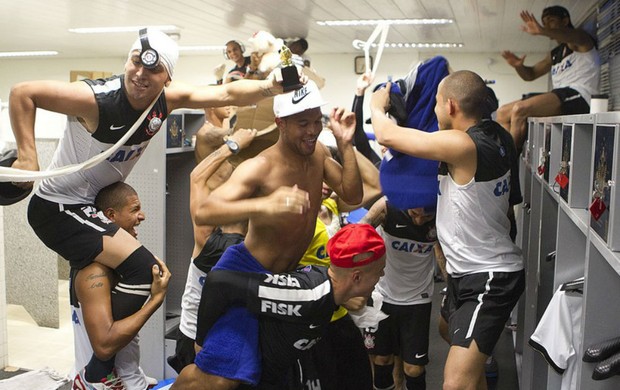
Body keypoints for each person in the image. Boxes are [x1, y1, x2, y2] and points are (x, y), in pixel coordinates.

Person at [9, 28, 296, 389]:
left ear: (167, 77)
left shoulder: (165, 100)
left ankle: (112, 371)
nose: (141, 75)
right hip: (58, 207)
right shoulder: (96, 99)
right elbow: (23, 93)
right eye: (135, 63)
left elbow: (224, 92)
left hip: (90, 208)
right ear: (127, 62)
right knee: (147, 272)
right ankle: (95, 374)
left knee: (115, 281)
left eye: (154, 69)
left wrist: (271, 87)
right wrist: (27, 155)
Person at [186, 79, 363, 389]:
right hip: (245, 271)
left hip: (283, 280)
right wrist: (266, 204)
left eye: (316, 121)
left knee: (267, 375)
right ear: (281, 123)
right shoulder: (262, 166)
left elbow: (353, 193)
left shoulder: (319, 153)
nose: (311, 131)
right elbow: (205, 211)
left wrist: (346, 144)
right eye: (302, 123)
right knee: (216, 380)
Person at [370, 70, 525, 390]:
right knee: (447, 331)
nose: (435, 110)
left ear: (451, 106)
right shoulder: (498, 136)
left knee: (455, 383)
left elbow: (386, 136)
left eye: (437, 104)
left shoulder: (462, 144)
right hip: (466, 270)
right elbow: (500, 204)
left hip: (488, 274)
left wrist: (375, 103)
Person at [171, 223, 387, 389]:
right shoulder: (308, 295)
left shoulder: (328, 295)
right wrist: (200, 341)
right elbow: (219, 281)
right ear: (356, 277)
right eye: (380, 270)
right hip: (243, 370)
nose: (382, 275)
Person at [166, 128, 257, 374]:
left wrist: (234, 144)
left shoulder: (205, 238)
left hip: (192, 335)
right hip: (232, 340)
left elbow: (197, 177)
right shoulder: (258, 248)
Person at [72, 182, 169, 389]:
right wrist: (156, 300)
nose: (141, 216)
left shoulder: (118, 266)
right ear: (110, 216)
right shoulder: (95, 272)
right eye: (134, 210)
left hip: (129, 379)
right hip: (103, 383)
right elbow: (105, 347)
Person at [360, 196, 439, 390]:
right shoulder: (388, 208)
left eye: (426, 216)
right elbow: (362, 231)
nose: (419, 220)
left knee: (414, 369)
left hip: (417, 298)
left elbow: (444, 255)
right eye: (414, 214)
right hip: (382, 294)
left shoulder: (442, 213)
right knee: (382, 359)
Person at [496, 6, 600, 151]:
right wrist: (519, 66)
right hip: (560, 96)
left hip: (581, 97)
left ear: (565, 21)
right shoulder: (554, 54)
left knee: (520, 109)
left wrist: (542, 31)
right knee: (502, 112)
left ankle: (508, 162)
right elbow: (530, 75)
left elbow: (570, 36)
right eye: (544, 22)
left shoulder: (581, 39)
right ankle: (503, 154)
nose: (546, 25)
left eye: (551, 20)